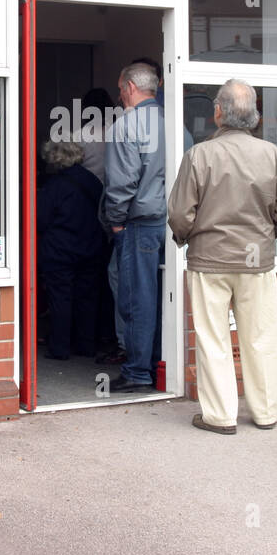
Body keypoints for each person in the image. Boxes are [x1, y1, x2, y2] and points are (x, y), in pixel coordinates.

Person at [168, 79, 277, 434]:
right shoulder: (272, 154)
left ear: (217, 114)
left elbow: (180, 214)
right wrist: (267, 236)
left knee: (213, 340)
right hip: (257, 262)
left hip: (209, 261)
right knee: (262, 337)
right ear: (255, 116)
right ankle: (267, 411)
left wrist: (186, 238)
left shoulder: (199, 155)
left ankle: (220, 416)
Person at [103, 61, 166, 392]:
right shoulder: (174, 123)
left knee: (137, 300)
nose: (120, 95)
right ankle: (158, 367)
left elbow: (121, 182)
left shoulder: (126, 126)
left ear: (128, 87)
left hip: (138, 226)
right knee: (162, 299)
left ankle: (138, 372)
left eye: (120, 89)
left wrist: (115, 224)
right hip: (169, 224)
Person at [37, 140, 106, 360]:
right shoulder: (92, 181)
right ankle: (85, 345)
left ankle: (60, 348)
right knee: (87, 298)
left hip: (60, 251)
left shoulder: (54, 186)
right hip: (91, 247)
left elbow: (40, 219)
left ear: (54, 159)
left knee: (61, 298)